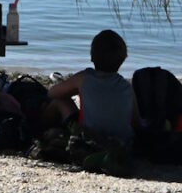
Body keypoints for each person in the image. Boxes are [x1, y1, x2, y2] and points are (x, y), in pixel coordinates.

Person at [43, 29, 137, 175]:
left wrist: (73, 89)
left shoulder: (84, 78)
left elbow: (52, 93)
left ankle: (36, 130)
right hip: (122, 144)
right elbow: (135, 121)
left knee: (59, 102)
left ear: (92, 56)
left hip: (89, 139)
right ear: (122, 59)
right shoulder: (127, 87)